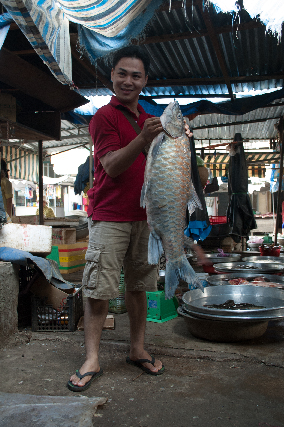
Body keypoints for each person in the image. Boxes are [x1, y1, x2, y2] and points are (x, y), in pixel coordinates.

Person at [67, 45, 207, 392]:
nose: (128, 81)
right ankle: (92, 358)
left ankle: (137, 349)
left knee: (140, 287)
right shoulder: (104, 118)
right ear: (112, 76)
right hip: (110, 217)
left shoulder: (149, 120)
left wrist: (182, 146)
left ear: (145, 80)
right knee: (99, 289)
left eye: (136, 75)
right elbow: (112, 166)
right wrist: (144, 138)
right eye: (122, 74)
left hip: (148, 218)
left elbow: (177, 173)